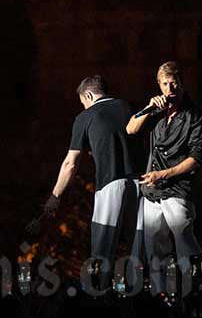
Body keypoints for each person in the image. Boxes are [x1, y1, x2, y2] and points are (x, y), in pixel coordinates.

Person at [41, 75, 142, 274]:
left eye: (83, 103)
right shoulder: (129, 106)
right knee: (138, 249)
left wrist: (55, 196)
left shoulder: (85, 117)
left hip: (110, 184)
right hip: (141, 184)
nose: (84, 108)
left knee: (102, 249)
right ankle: (138, 296)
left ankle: (98, 296)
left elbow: (70, 163)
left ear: (88, 95)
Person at [126, 61, 202, 279]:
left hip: (177, 189)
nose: (169, 90)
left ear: (181, 83)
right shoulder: (157, 112)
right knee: (154, 249)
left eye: (173, 83)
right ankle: (161, 294)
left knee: (184, 243)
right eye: (164, 84)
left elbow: (196, 159)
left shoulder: (194, 115)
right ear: (159, 86)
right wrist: (148, 108)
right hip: (152, 191)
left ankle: (194, 289)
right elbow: (130, 129)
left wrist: (163, 174)